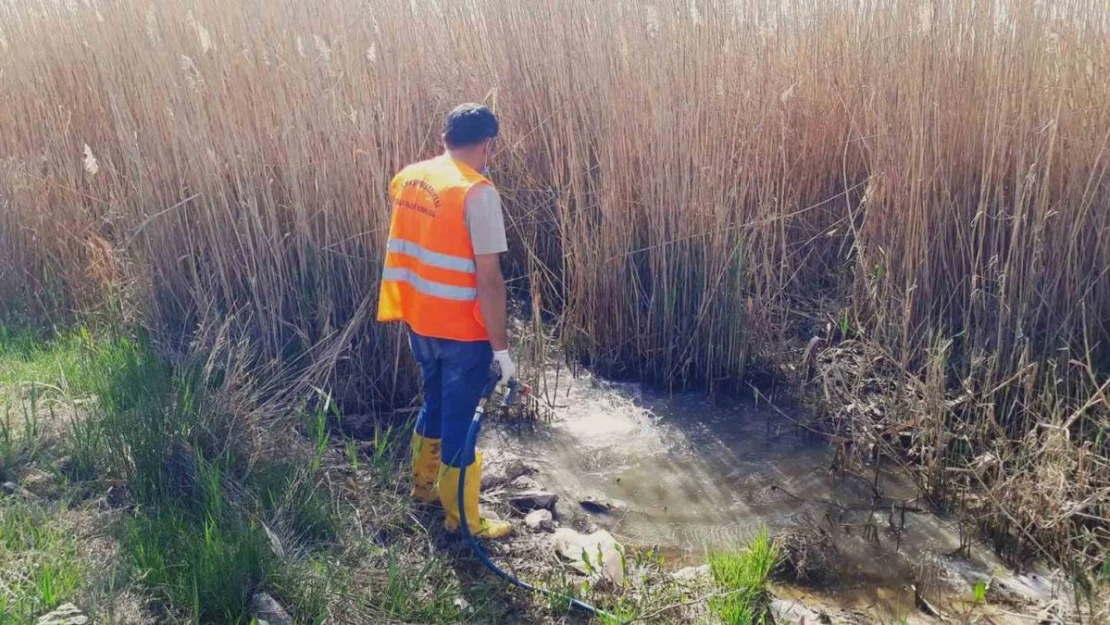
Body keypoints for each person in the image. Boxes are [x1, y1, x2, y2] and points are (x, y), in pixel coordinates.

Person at [376, 103, 515, 539]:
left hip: (419, 321)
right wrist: (502, 351)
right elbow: (489, 280)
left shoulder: (410, 177)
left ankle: (423, 488)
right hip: (462, 330)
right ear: (488, 144)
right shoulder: (478, 193)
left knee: (432, 402)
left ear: (445, 139)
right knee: (461, 419)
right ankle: (464, 521)